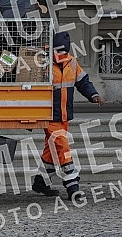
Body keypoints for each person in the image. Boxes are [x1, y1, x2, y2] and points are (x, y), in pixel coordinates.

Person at [32, 31, 103, 199]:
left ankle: (41, 183)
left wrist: (93, 95)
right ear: (52, 50)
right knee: (63, 148)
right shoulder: (43, 63)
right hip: (49, 116)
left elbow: (83, 81)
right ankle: (72, 186)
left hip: (63, 115)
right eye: (59, 53)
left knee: (51, 150)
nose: (62, 56)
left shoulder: (72, 62)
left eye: (64, 53)